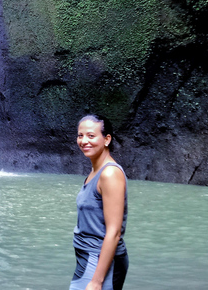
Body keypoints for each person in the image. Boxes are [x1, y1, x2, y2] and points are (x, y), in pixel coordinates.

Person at [70, 114, 128, 290]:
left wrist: (96, 281)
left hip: (99, 261)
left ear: (107, 139)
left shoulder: (109, 174)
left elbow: (114, 231)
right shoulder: (95, 172)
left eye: (91, 135)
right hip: (87, 259)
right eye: (80, 135)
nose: (84, 141)